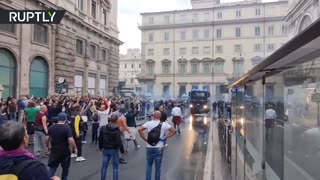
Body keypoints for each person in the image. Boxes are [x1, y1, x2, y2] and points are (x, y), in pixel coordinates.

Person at [138, 111, 176, 180]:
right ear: (160, 117)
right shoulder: (164, 124)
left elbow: (140, 130)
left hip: (149, 147)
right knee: (158, 167)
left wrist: (145, 139)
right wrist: (166, 137)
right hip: (159, 147)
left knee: (149, 166)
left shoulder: (148, 123)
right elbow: (174, 131)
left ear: (153, 116)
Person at [46, 113, 78, 180]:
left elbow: (46, 138)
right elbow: (70, 139)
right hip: (64, 151)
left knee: (52, 168)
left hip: (54, 150)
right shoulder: (67, 127)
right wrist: (74, 147)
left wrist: (48, 146)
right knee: (65, 169)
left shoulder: (52, 127)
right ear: (65, 119)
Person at [99, 114, 125, 180]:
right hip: (114, 149)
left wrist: (100, 147)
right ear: (116, 120)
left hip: (106, 149)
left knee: (104, 166)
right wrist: (122, 150)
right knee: (115, 167)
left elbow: (100, 138)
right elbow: (119, 141)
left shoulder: (103, 128)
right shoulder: (116, 130)